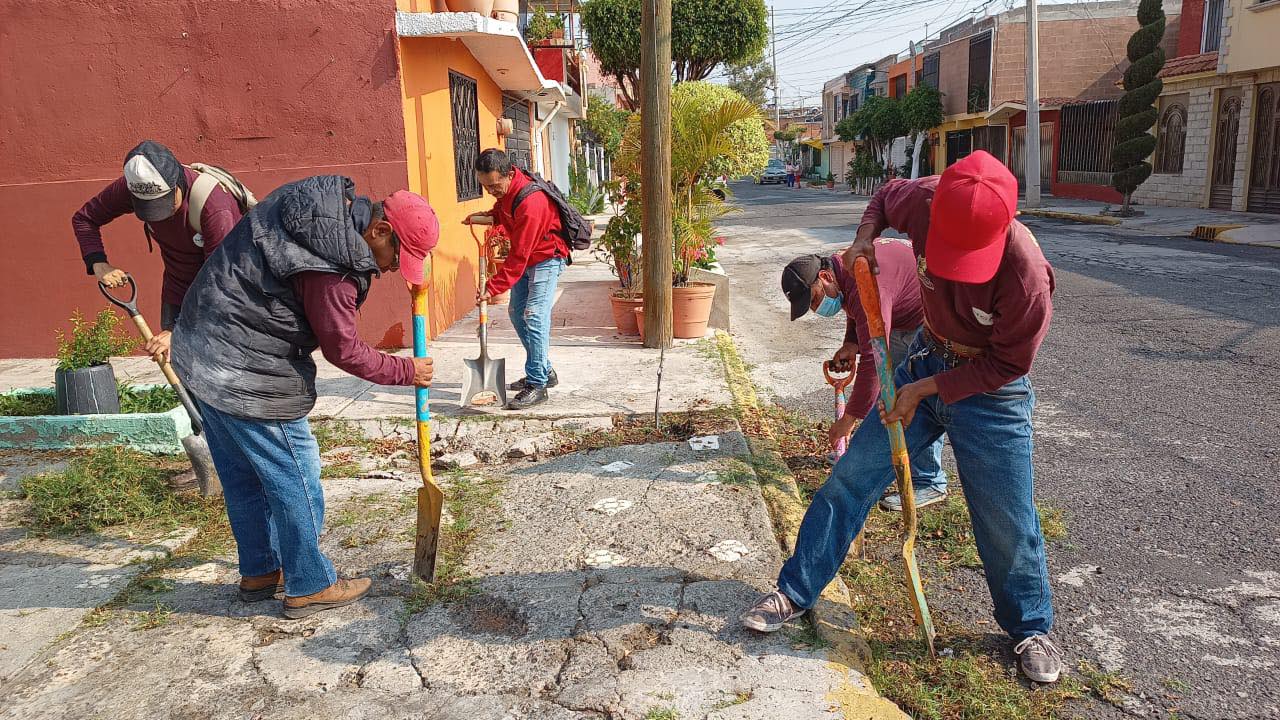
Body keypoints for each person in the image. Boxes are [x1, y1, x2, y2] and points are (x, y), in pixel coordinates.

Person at [742, 151, 1063, 684]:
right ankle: (794, 591)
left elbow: (1008, 364)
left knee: (1005, 517)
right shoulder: (922, 201)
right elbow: (883, 197)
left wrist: (923, 389)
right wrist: (865, 236)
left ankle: (1031, 627)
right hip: (929, 354)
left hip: (991, 393)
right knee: (850, 481)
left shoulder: (1027, 277)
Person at [170, 177, 437, 619]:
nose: (392, 269)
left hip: (199, 350)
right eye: (397, 258)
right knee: (295, 473)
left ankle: (261, 570)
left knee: (243, 476)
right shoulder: (334, 266)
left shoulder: (319, 210)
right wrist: (406, 370)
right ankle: (309, 583)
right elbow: (343, 349)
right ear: (380, 231)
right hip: (245, 369)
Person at [780, 243, 948, 509]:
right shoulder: (844, 268)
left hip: (925, 321)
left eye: (813, 299)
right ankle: (890, 460)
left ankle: (929, 481)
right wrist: (850, 343)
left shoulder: (865, 278)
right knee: (896, 398)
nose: (815, 309)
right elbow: (856, 307)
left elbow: (873, 362)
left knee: (915, 398)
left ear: (824, 277)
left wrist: (848, 421)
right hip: (897, 317)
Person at [72, 140, 243, 363]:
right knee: (184, 374)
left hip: (228, 299)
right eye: (148, 209)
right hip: (178, 290)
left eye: (163, 204)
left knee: (223, 376)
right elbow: (85, 218)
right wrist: (98, 263)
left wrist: (180, 331)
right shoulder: (134, 186)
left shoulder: (214, 207)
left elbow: (221, 282)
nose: (158, 216)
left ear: (176, 184)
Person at [465, 149, 569, 411]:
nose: (492, 191)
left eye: (495, 185)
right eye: (486, 187)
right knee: (516, 312)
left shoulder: (532, 203)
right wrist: (489, 215)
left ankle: (537, 384)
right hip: (529, 257)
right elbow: (503, 208)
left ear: (510, 174)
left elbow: (518, 256)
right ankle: (544, 370)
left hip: (547, 257)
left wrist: (492, 287)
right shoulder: (508, 193)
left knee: (533, 315)